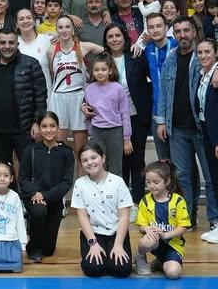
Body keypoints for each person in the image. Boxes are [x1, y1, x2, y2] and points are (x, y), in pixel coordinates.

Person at [155, 16, 218, 236]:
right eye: (178, 31)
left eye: (186, 30)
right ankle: (187, 218)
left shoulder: (202, 56)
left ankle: (214, 219)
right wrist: (161, 120)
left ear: (194, 32)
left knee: (210, 176)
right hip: (177, 128)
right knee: (181, 175)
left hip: (202, 128)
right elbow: (163, 91)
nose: (183, 35)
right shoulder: (171, 58)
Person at [102, 23, 152, 214]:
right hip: (112, 120)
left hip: (136, 116)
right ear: (106, 41)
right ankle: (121, 204)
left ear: (124, 37)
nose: (114, 40)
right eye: (110, 37)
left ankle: (138, 203)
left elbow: (151, 81)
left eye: (117, 36)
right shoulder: (103, 61)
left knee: (137, 161)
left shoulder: (136, 56)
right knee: (118, 162)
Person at [0, 27, 47, 165]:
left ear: (17, 44)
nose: (7, 46)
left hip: (23, 129)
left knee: (29, 171)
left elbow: (40, 97)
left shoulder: (31, 64)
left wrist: (37, 122)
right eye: (3, 43)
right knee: (0, 175)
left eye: (11, 42)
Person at [46, 16, 102, 168]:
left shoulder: (83, 47)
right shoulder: (52, 50)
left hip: (79, 98)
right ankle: (60, 189)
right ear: (56, 30)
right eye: (60, 27)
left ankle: (80, 188)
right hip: (58, 97)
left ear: (72, 29)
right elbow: (52, 74)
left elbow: (107, 51)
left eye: (67, 27)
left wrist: (94, 75)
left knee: (81, 151)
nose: (64, 30)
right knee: (59, 150)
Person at [19, 111, 74, 263]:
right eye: (44, 126)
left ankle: (39, 238)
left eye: (52, 126)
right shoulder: (30, 150)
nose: (48, 130)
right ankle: (33, 248)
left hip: (54, 200)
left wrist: (46, 196)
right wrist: (35, 193)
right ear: (39, 128)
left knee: (49, 250)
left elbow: (67, 182)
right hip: (33, 198)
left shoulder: (67, 153)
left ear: (58, 128)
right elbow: (22, 179)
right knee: (39, 210)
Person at [72, 142, 132, 278]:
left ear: (103, 158)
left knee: (122, 270)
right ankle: (101, 258)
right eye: (85, 160)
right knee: (93, 269)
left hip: (115, 233)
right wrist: (92, 243)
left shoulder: (118, 182)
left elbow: (124, 216)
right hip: (94, 233)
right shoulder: (80, 184)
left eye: (94, 157)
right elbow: (82, 216)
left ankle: (111, 257)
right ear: (81, 164)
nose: (90, 162)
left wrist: (118, 245)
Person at [135, 160, 191, 278]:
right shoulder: (145, 200)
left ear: (167, 181)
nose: (151, 186)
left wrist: (165, 235)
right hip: (154, 241)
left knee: (173, 273)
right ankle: (139, 257)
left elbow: (183, 227)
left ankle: (161, 262)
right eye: (148, 182)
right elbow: (141, 226)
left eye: (156, 182)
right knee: (146, 241)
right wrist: (147, 229)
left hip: (173, 244)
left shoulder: (178, 201)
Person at [83, 53, 132, 176]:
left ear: (110, 71)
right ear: (92, 72)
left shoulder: (118, 88)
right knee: (98, 167)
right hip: (96, 132)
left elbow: (125, 114)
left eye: (103, 69)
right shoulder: (89, 89)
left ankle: (115, 195)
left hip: (114, 131)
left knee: (116, 168)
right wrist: (90, 131)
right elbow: (87, 112)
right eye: (96, 70)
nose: (100, 73)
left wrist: (127, 139)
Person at [144, 12, 178, 160]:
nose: (155, 30)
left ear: (166, 28)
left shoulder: (177, 46)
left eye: (159, 26)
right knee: (164, 160)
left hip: (178, 111)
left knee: (182, 162)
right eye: (151, 27)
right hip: (157, 110)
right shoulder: (147, 51)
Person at [194, 37, 218, 243]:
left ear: (216, 53)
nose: (203, 56)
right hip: (206, 131)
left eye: (207, 52)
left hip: (216, 134)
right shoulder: (203, 74)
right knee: (215, 178)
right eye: (200, 52)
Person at [15, 8, 52, 91]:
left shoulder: (46, 40)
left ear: (34, 21)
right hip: (22, 95)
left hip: (44, 94)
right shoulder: (13, 43)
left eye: (28, 18)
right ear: (16, 24)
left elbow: (53, 69)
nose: (25, 21)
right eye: (21, 19)